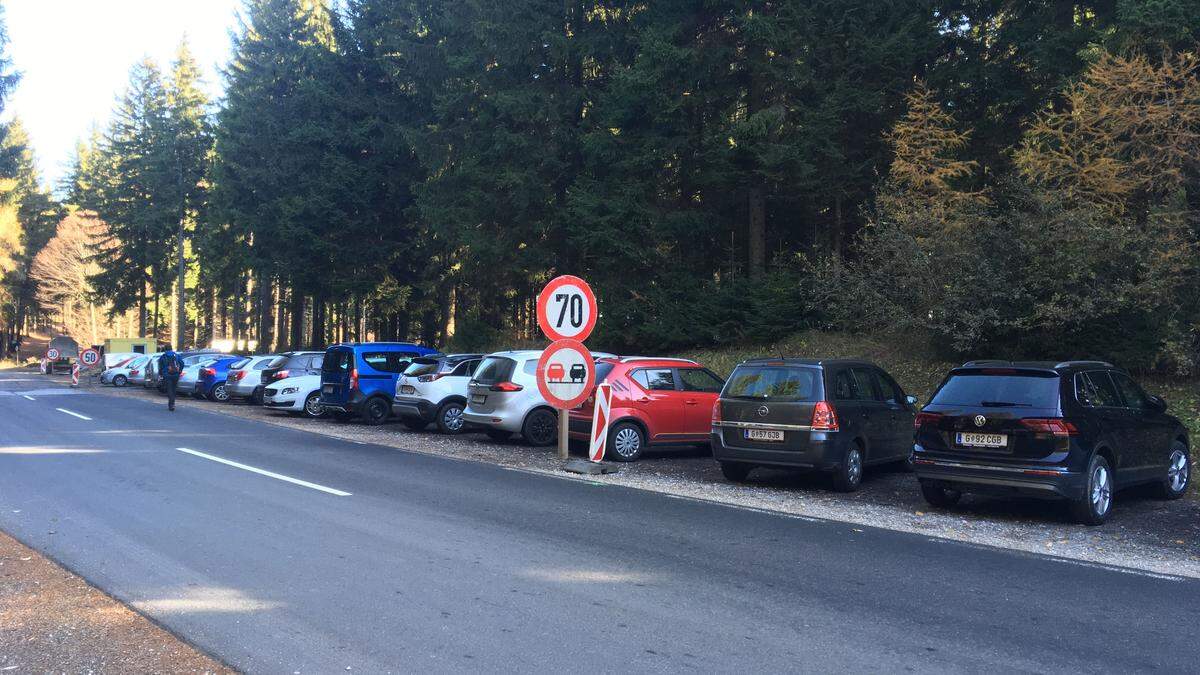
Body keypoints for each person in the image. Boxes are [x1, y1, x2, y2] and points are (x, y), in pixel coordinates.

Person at [158, 346, 185, 411]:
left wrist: (161, 374)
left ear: (165, 350)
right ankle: (172, 403)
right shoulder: (176, 355)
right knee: (174, 388)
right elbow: (182, 363)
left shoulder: (163, 356)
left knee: (169, 389)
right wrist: (180, 371)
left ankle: (171, 404)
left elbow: (160, 366)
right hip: (175, 374)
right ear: (171, 349)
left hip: (167, 374)